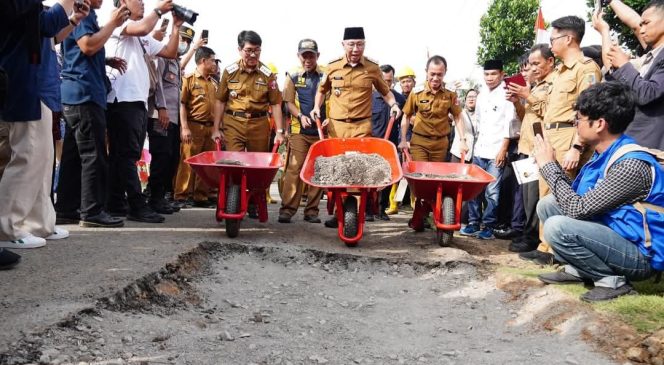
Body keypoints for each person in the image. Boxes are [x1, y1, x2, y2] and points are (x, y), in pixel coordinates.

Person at [534, 81, 662, 302]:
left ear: (600, 123)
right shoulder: (604, 153)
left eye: (579, 119)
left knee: (557, 227)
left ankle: (612, 281)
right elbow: (573, 198)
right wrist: (552, 164)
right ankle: (581, 269)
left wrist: (548, 167)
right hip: (617, 235)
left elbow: (577, 208)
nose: (575, 125)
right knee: (548, 204)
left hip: (642, 254)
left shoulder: (630, 164)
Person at [0, 0, 79, 249]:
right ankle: (7, 227)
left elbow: (50, 35)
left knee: (42, 160)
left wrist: (73, 18)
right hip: (25, 82)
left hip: (40, 85)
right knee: (27, 156)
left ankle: (38, 223)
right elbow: (44, 25)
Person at [526, 15, 602, 264]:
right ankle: (544, 246)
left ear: (568, 38)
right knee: (545, 193)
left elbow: (590, 111)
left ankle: (557, 249)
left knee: (561, 194)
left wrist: (577, 147)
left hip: (569, 137)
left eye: (553, 38)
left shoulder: (587, 68)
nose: (551, 44)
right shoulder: (559, 72)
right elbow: (549, 106)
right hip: (550, 138)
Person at [309, 26, 402, 228]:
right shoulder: (332, 67)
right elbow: (322, 90)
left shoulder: (371, 68)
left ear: (364, 45)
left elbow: (385, 92)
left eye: (359, 44)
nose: (355, 48)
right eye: (351, 44)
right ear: (343, 45)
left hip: (361, 128)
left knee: (358, 171)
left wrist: (394, 105)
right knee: (337, 171)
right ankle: (338, 211)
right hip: (336, 127)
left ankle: (355, 211)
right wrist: (316, 107)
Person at [104, 0, 183, 223]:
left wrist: (176, 27)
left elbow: (169, 51)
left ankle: (116, 203)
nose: (142, 3)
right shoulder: (116, 20)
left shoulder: (142, 35)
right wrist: (160, 10)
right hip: (121, 99)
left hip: (138, 101)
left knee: (124, 155)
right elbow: (145, 27)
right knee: (126, 154)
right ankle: (137, 206)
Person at [55, 0, 129, 228]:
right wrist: (113, 24)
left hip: (76, 94)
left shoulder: (86, 15)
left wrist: (105, 59)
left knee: (73, 155)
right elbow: (87, 45)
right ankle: (92, 211)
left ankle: (67, 209)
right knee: (93, 155)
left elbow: (79, 50)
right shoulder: (83, 14)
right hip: (85, 94)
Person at [593, 0, 664, 150]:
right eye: (641, 25)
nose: (642, 29)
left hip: (653, 147)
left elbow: (648, 94)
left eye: (646, 23)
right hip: (637, 142)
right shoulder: (653, 55)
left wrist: (625, 65)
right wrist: (604, 29)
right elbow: (611, 64)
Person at [506, 44, 556, 253]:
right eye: (530, 64)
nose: (532, 68)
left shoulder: (554, 84)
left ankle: (534, 237)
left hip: (540, 149)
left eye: (536, 63)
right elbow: (526, 115)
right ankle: (529, 232)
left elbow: (550, 113)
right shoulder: (536, 86)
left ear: (550, 61)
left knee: (536, 196)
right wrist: (518, 101)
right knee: (527, 196)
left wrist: (528, 95)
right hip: (526, 147)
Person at [459, 60, 515, 240]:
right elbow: (480, 124)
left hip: (496, 151)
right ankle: (474, 223)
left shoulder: (507, 94)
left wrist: (503, 149)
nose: (489, 78)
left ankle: (489, 225)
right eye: (486, 74)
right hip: (480, 150)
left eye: (493, 74)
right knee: (474, 190)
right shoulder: (481, 95)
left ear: (501, 74)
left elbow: (509, 124)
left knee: (492, 191)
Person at [146, 25, 195, 213]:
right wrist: (162, 108)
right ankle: (154, 197)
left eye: (188, 42)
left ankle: (162, 196)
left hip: (173, 119)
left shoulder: (176, 62)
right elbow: (157, 83)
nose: (184, 44)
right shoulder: (164, 57)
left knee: (172, 158)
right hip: (161, 116)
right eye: (182, 40)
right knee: (161, 156)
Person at [212, 30, 285, 153]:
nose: (253, 54)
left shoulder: (267, 74)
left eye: (257, 50)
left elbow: (276, 104)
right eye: (249, 50)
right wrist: (215, 129)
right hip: (233, 124)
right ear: (239, 50)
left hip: (259, 126)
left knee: (257, 165)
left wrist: (279, 132)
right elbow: (220, 101)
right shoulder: (229, 72)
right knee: (234, 163)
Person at [278, 39, 326, 224]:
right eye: (304, 55)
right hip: (299, 131)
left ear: (317, 56)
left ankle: (312, 211)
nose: (307, 59)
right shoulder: (292, 76)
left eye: (311, 55)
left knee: (317, 171)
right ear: (299, 56)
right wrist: (299, 116)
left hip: (322, 133)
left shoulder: (326, 75)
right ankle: (287, 209)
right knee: (294, 169)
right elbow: (288, 102)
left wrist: (328, 118)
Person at [174, 46, 219, 208]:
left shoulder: (214, 83)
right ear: (203, 61)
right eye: (212, 60)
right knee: (188, 161)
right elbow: (182, 104)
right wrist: (184, 127)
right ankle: (181, 196)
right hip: (193, 126)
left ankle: (201, 197)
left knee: (207, 165)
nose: (214, 63)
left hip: (210, 129)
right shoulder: (189, 79)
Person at [399, 55, 467, 162]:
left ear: (445, 72)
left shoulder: (451, 93)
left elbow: (458, 116)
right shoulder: (416, 92)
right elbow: (406, 116)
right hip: (419, 142)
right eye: (432, 74)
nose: (435, 78)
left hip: (440, 145)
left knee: (435, 175)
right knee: (420, 175)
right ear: (426, 71)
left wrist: (463, 140)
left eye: (439, 74)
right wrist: (403, 139)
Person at [371, 64, 406, 221]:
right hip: (372, 144)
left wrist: (404, 140)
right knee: (369, 177)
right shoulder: (369, 97)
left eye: (390, 81)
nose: (387, 85)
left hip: (390, 146)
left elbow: (406, 122)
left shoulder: (399, 99)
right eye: (384, 81)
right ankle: (366, 210)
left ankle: (381, 209)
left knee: (387, 177)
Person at [450, 89, 478, 163]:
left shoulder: (481, 115)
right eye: (469, 97)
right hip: (458, 153)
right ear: (465, 100)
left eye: (474, 97)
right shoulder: (459, 113)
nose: (471, 99)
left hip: (474, 156)